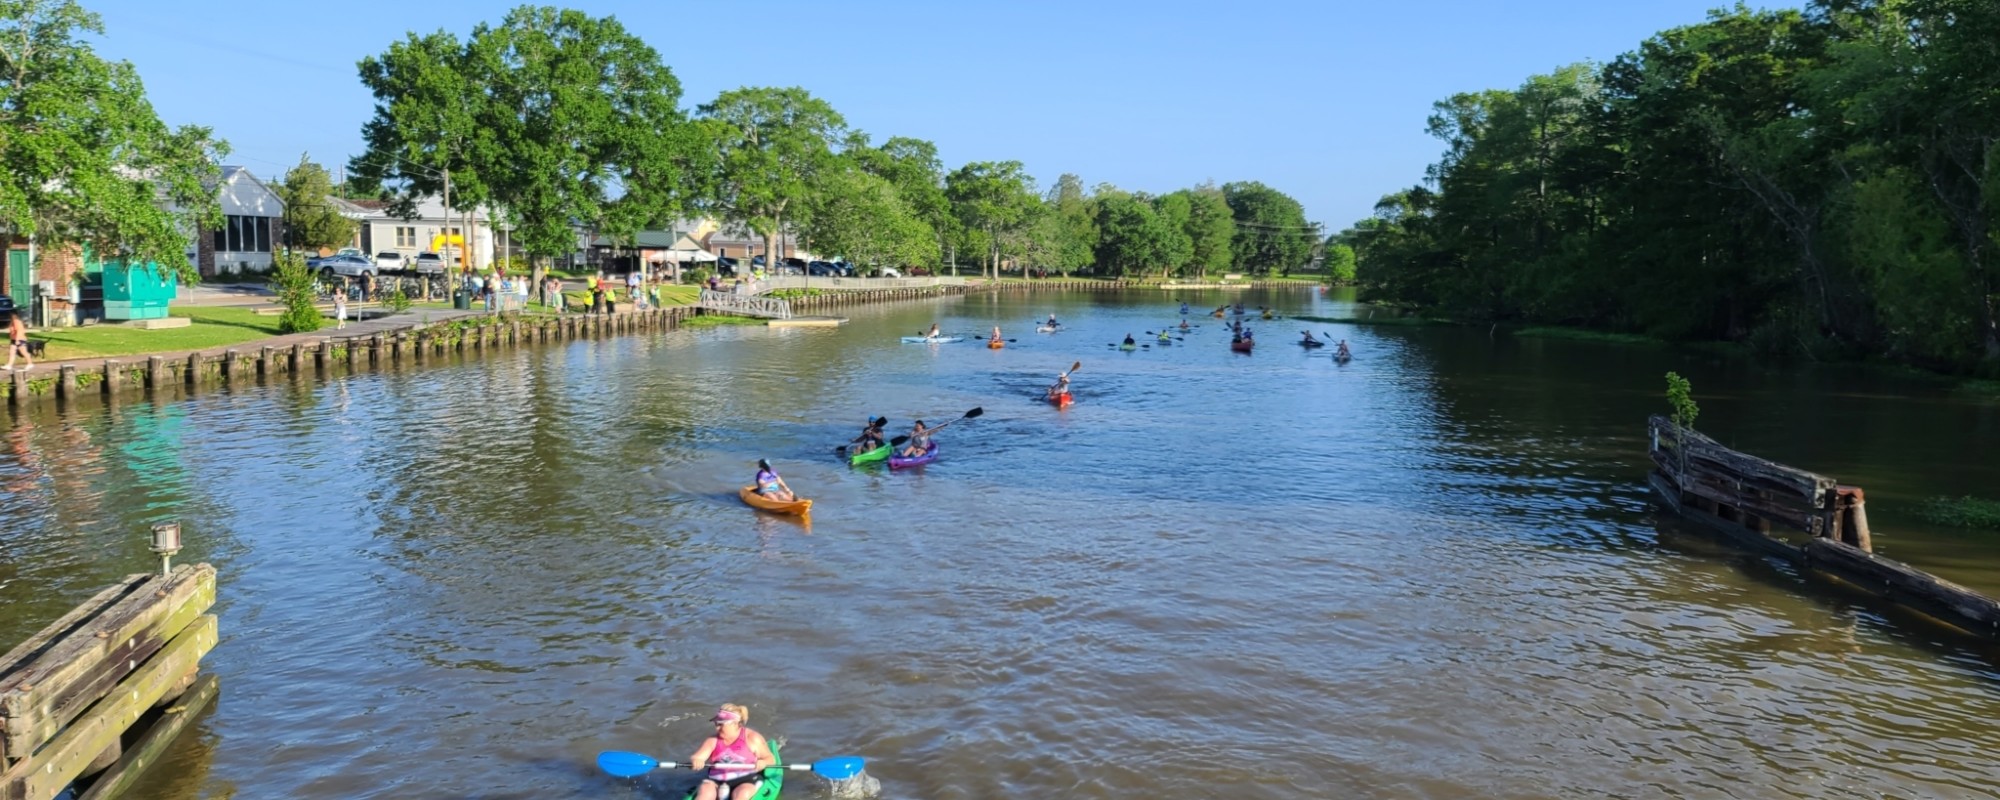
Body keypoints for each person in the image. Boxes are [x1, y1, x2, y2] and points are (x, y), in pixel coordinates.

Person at [690, 704, 775, 800]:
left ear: (735, 723)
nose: (717, 728)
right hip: (716, 780)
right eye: (716, 724)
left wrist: (763, 762)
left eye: (721, 724)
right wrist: (697, 761)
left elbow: (770, 759)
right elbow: (697, 757)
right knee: (705, 791)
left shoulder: (752, 738)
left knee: (742, 794)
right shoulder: (712, 740)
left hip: (746, 779)